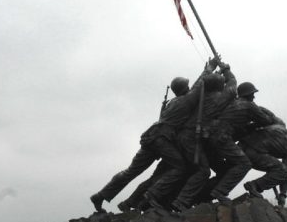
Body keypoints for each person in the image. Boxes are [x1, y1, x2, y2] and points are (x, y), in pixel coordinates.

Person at [89, 60, 217, 212]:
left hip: (151, 136)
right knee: (180, 167)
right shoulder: (186, 101)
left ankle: (101, 195)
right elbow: (199, 85)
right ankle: (151, 195)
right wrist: (210, 69)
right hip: (162, 139)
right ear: (185, 88)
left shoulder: (172, 102)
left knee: (131, 171)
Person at [146, 62, 237, 211]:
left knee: (188, 170)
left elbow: (197, 86)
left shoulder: (197, 98)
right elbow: (233, 86)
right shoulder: (219, 98)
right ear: (220, 86)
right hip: (190, 139)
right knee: (203, 171)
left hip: (180, 138)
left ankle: (163, 198)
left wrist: (210, 71)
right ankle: (180, 201)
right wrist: (227, 70)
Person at [196, 81, 274, 204]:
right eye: (252, 94)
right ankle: (219, 192)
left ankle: (201, 196)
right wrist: (265, 115)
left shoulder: (233, 103)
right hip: (222, 138)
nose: (254, 96)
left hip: (212, 137)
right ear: (248, 94)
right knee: (244, 164)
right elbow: (266, 121)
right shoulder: (249, 105)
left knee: (226, 170)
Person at [241, 125, 287, 206]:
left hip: (242, 146)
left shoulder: (280, 127)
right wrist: (283, 194)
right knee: (286, 173)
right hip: (254, 154)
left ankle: (255, 188)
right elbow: (284, 172)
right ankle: (254, 186)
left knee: (279, 168)